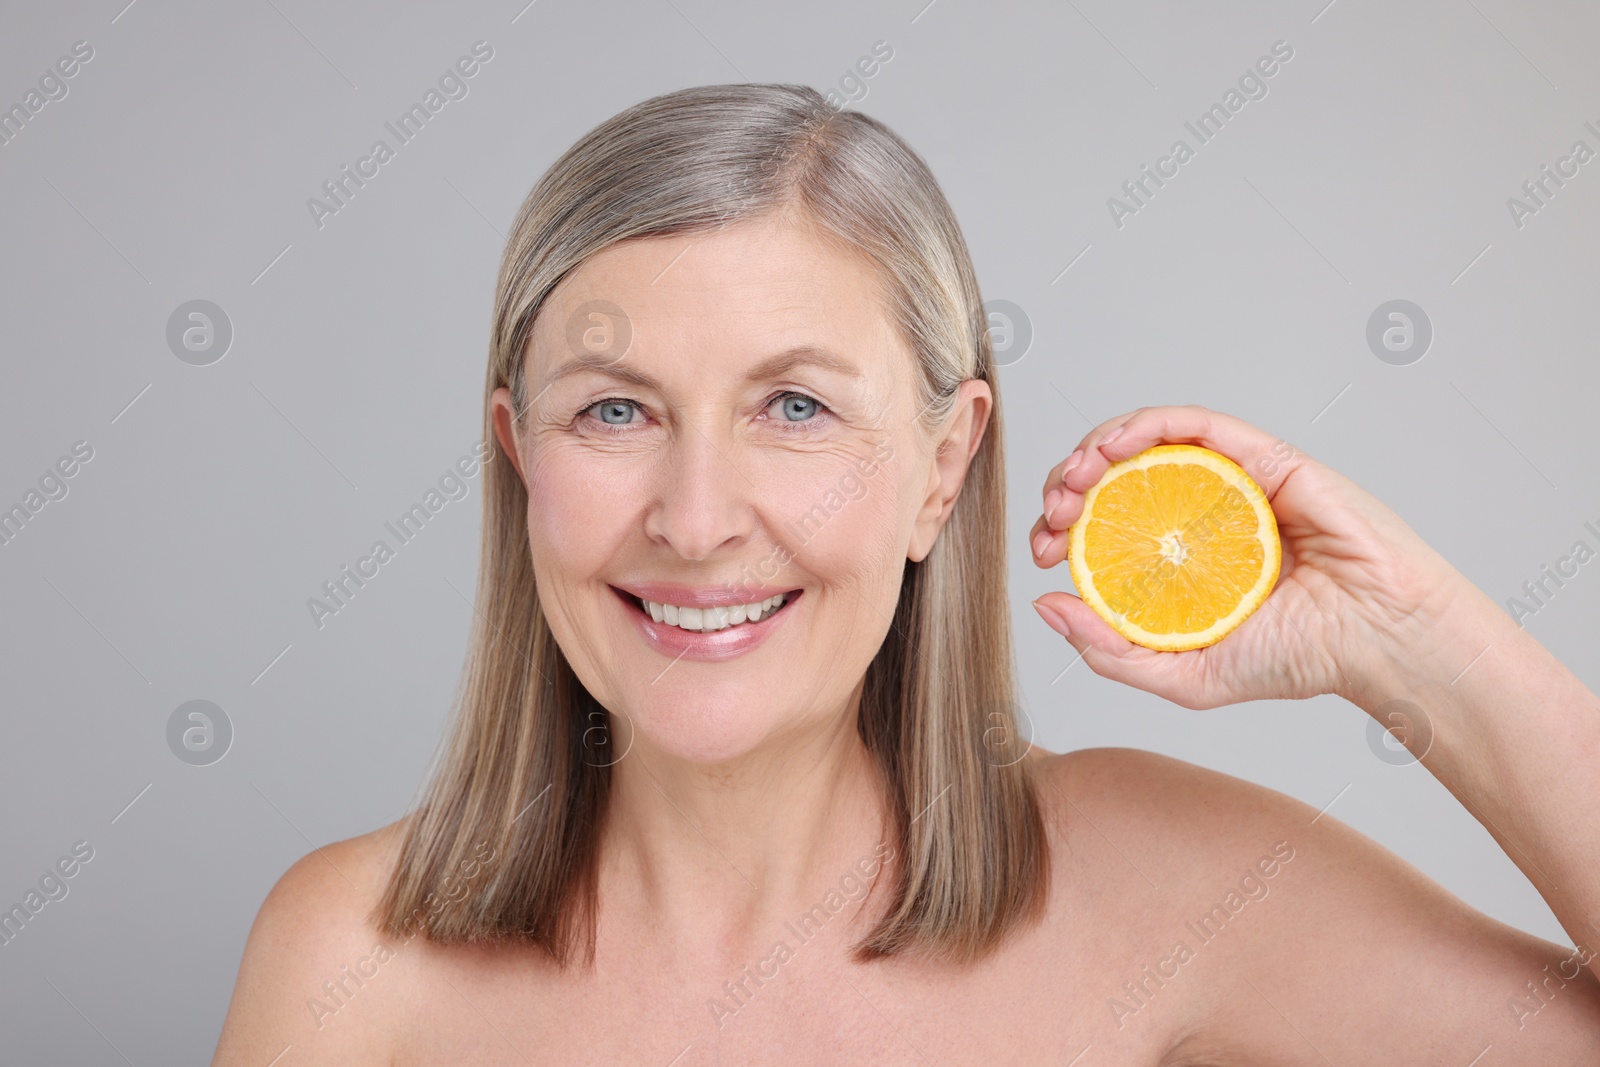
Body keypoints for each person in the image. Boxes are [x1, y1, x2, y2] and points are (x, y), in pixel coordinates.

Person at [211, 83, 1600, 1064]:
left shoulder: (1159, 892)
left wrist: (1413, 646)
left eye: (797, 408)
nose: (695, 521)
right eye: (616, 411)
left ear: (944, 468)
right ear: (520, 457)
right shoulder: (349, 960)